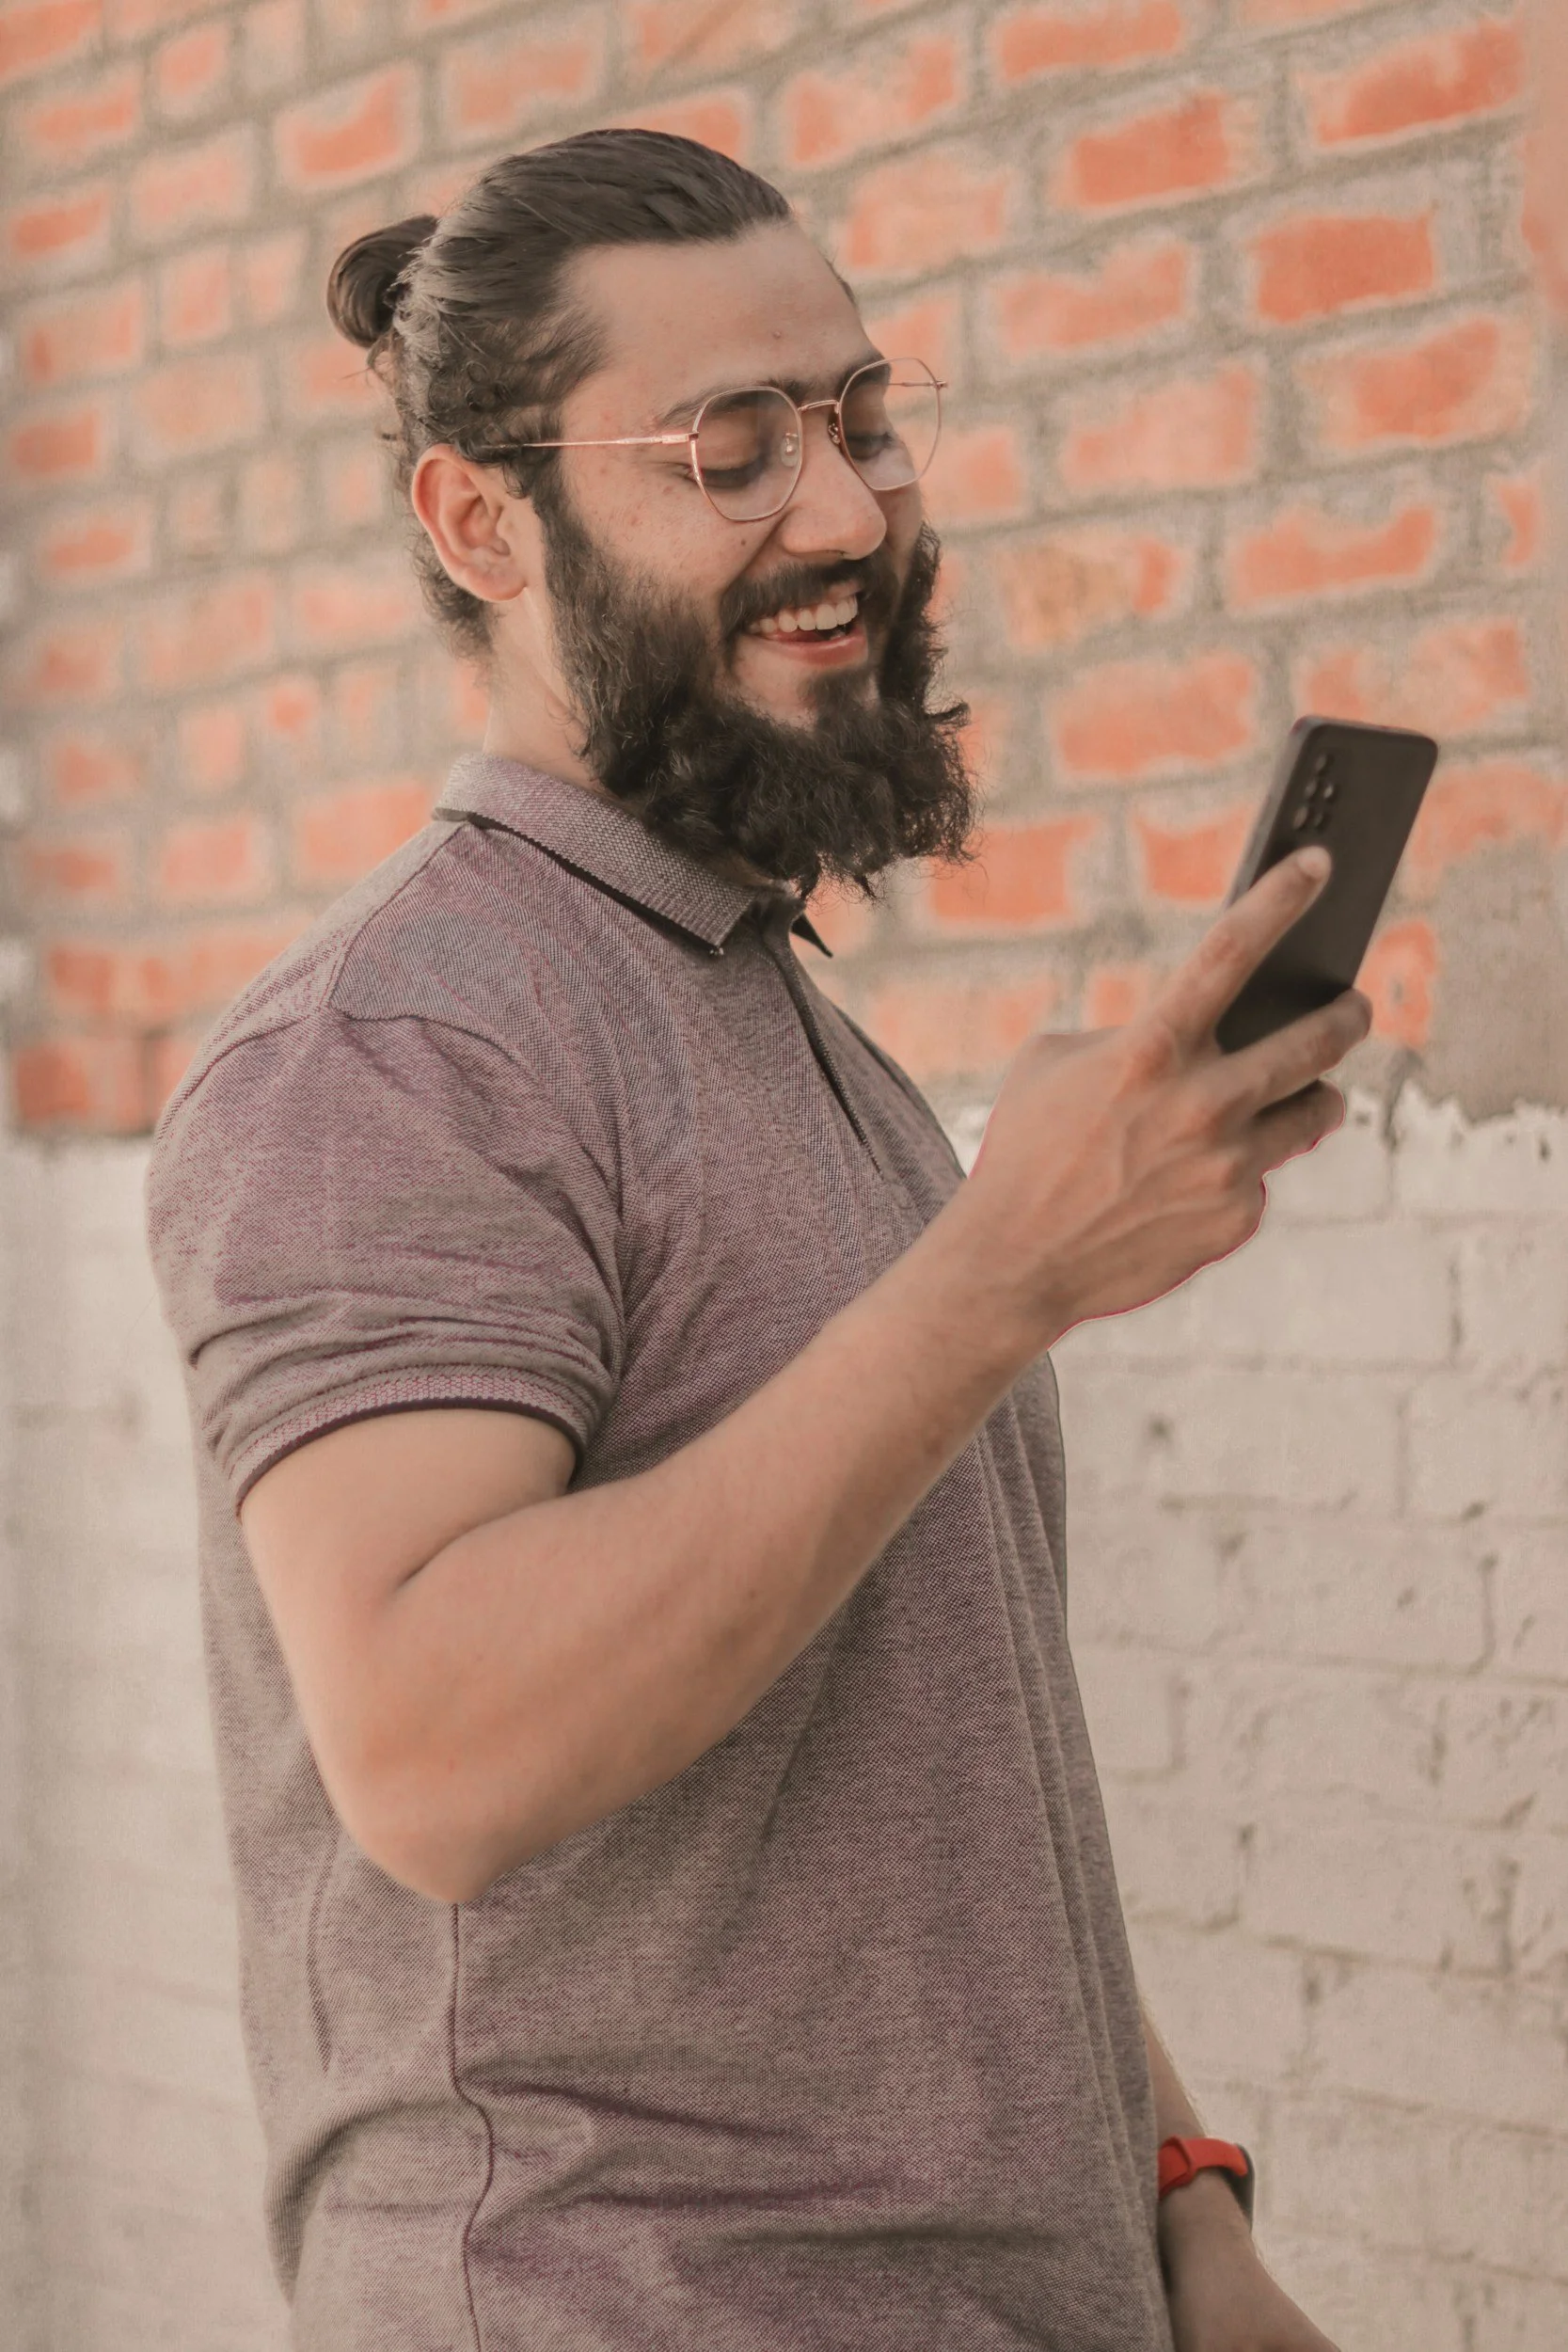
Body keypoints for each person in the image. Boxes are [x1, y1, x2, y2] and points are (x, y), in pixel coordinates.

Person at [147, 130, 1358, 2352]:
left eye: (857, 419)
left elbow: (944, 1767)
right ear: (478, 521)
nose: (843, 512)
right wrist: (999, 1277)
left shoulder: (773, 1020)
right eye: (728, 448)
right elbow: (427, 1754)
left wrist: (1183, 2206)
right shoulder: (391, 1045)